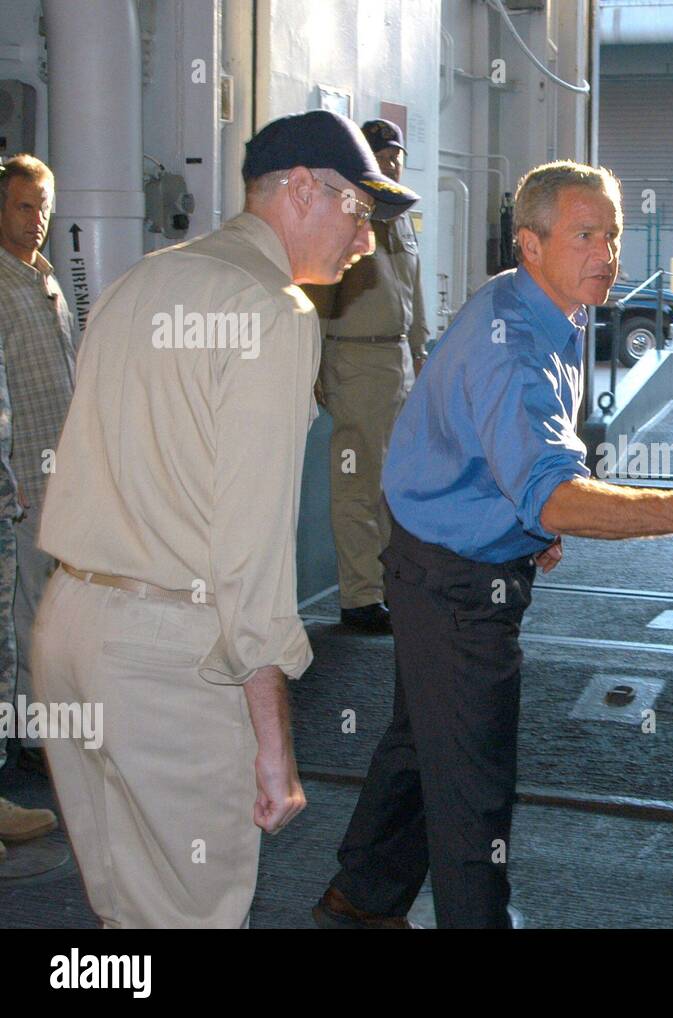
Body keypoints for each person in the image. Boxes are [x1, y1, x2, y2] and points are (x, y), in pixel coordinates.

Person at [314, 159, 673, 930]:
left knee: (423, 740)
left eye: (613, 235)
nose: (607, 255)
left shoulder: (540, 306)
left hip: (446, 549)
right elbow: (554, 490)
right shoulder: (514, 343)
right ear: (530, 244)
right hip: (454, 580)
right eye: (585, 235)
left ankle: (358, 900)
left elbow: (514, 461)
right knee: (472, 781)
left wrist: (529, 524)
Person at [32, 110, 418, 928]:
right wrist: (273, 743)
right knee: (190, 912)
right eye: (360, 212)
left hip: (68, 627)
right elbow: (250, 548)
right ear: (303, 190)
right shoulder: (274, 311)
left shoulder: (141, 281)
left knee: (124, 911)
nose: (367, 241)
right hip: (165, 654)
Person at [305, 118, 430, 633]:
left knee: (393, 483)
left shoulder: (398, 218)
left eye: (395, 156)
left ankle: (387, 586)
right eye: (380, 157)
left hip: (398, 359)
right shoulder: (347, 217)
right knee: (357, 482)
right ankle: (359, 598)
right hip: (355, 360)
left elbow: (413, 293)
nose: (391, 164)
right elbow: (318, 295)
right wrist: (314, 363)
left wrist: (420, 352)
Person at [0, 155, 77, 781]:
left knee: (55, 608)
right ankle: (30, 735)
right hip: (20, 478)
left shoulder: (46, 280)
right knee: (26, 610)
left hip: (60, 478)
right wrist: (11, 480)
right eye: (25, 206)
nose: (37, 220)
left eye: (44, 208)